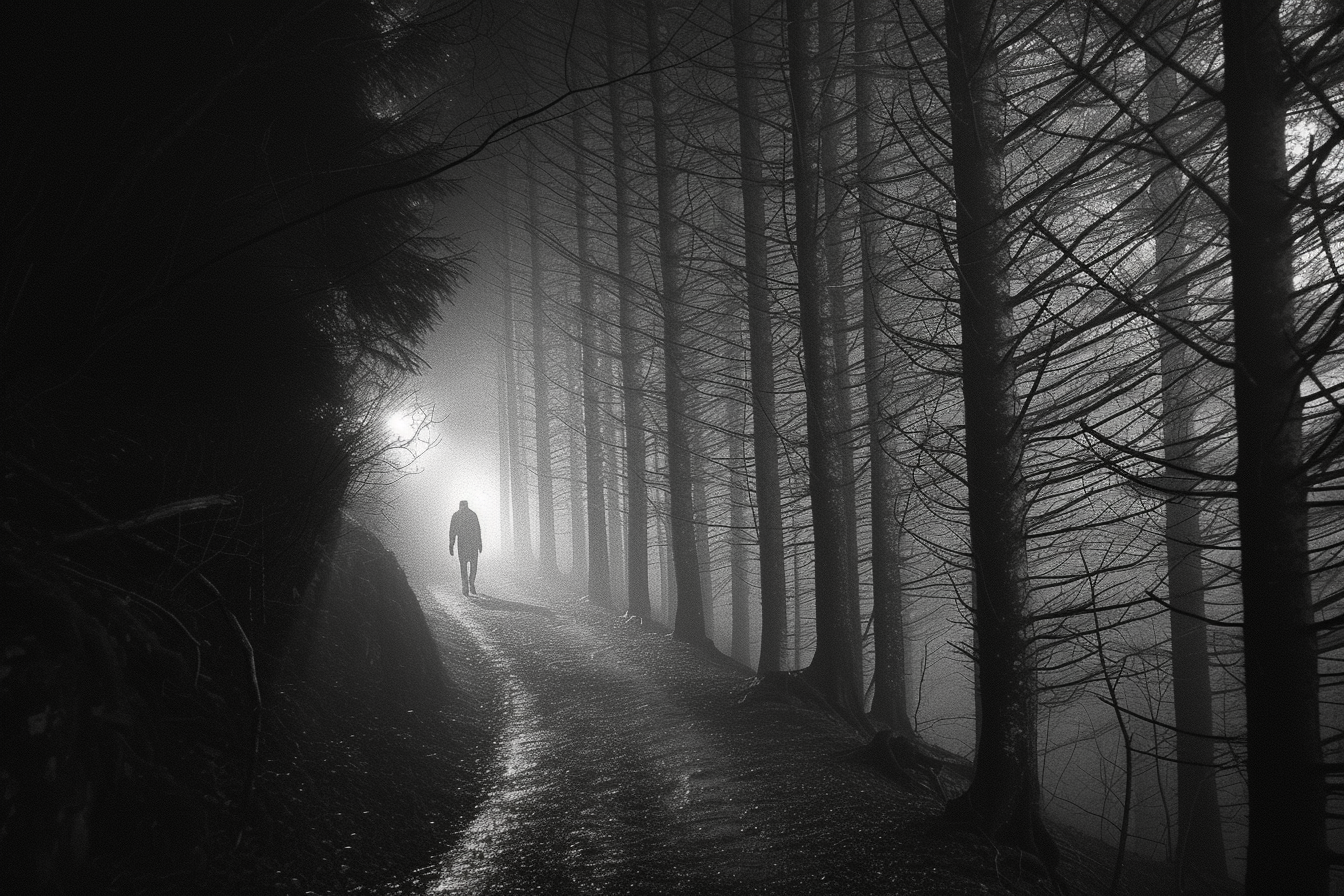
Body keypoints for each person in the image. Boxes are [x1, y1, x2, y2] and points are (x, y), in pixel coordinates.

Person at [449, 499, 483, 596]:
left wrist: (451, 544)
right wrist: (479, 543)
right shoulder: (472, 515)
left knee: (464, 566)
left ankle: (466, 586)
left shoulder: (456, 515)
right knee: (473, 565)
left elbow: (452, 531)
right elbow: (477, 530)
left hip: (463, 544)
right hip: (472, 544)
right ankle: (470, 584)